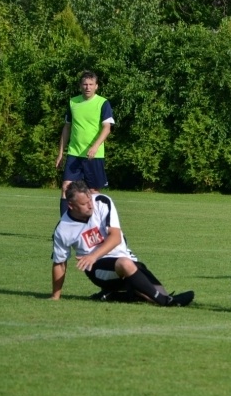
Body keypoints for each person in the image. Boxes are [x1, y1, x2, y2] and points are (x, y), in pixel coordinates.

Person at [51, 180, 194, 307]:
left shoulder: (102, 202)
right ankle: (166, 302)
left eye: (90, 200)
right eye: (84, 204)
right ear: (71, 205)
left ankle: (112, 295)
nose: (90, 206)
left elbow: (115, 237)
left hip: (124, 259)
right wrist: (55, 297)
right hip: (98, 269)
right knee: (128, 267)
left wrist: (92, 255)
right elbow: (59, 263)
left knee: (156, 291)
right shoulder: (63, 228)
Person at [56, 71, 114, 216]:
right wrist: (61, 153)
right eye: (85, 84)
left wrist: (95, 147)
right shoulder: (73, 102)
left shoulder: (103, 103)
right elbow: (67, 128)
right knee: (66, 187)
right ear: (80, 86)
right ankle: (65, 224)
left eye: (91, 84)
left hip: (94, 155)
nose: (87, 87)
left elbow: (107, 128)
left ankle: (92, 225)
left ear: (96, 86)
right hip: (75, 153)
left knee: (93, 192)